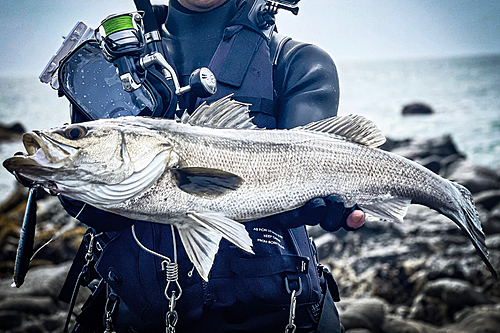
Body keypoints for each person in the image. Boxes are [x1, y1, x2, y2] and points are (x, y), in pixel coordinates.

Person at [54, 0, 366, 332]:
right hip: (137, 312)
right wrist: (74, 188)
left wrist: (310, 204)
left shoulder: (298, 62)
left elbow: (309, 159)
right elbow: (93, 201)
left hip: (279, 311)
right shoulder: (106, 67)